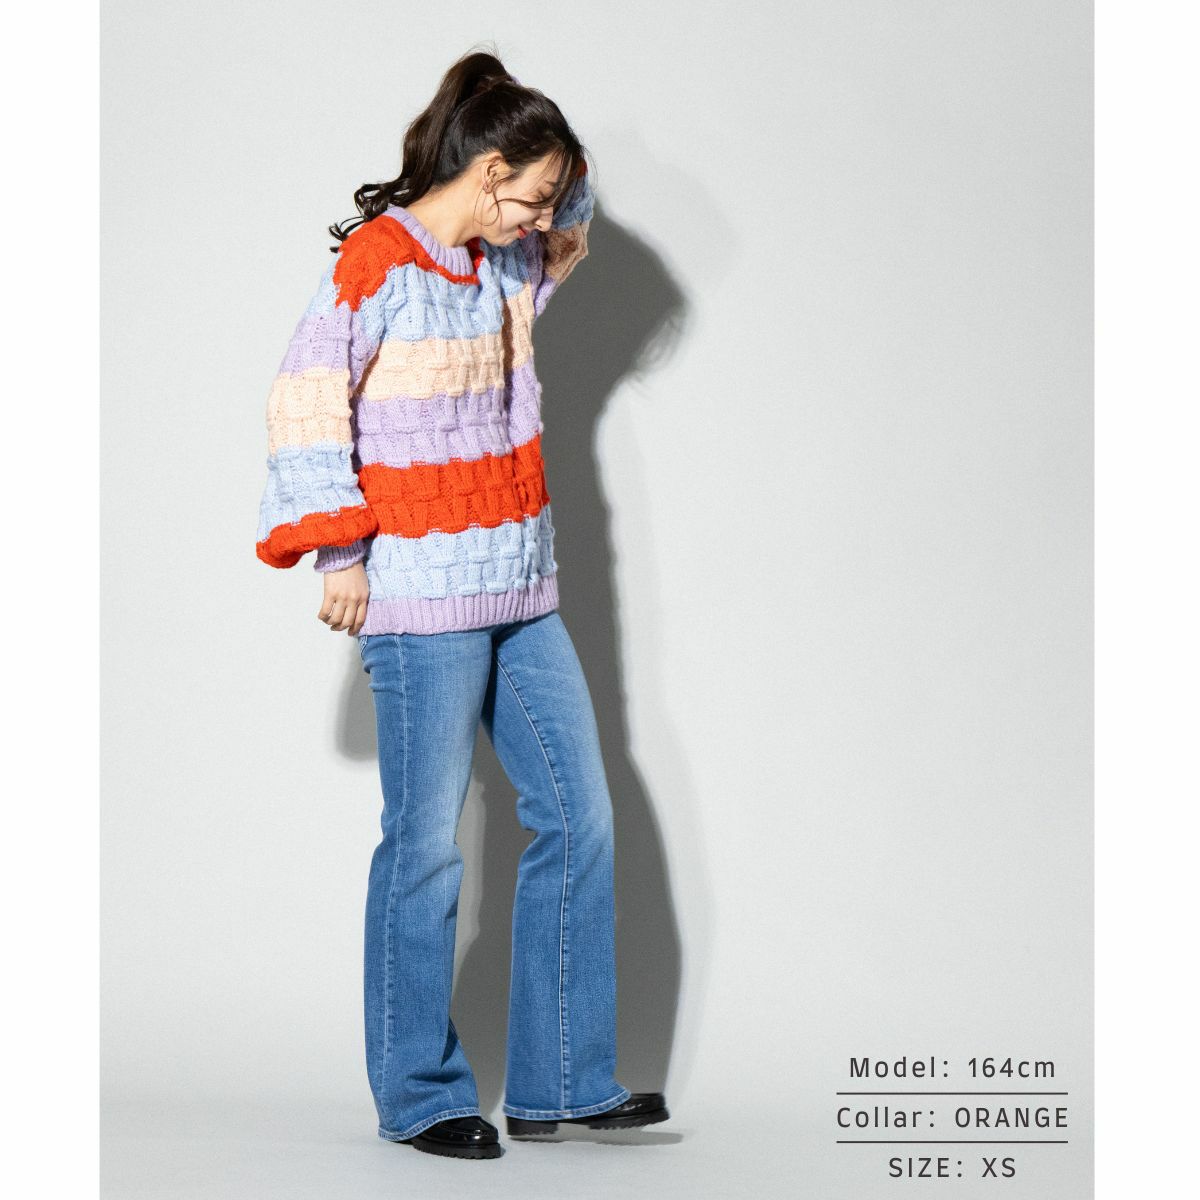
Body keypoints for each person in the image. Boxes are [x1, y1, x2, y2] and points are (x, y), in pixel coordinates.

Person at [254, 49, 669, 1160]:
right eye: (529, 193)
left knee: (579, 818)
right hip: (418, 601)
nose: (544, 218)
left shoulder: (505, 266)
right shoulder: (377, 263)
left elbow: (572, 206)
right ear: (489, 174)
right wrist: (339, 549)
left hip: (521, 588)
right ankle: (420, 1094)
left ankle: (560, 1081)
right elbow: (304, 399)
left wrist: (521, 124)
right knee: (425, 847)